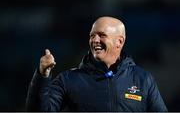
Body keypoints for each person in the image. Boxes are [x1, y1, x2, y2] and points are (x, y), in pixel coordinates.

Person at [26, 16, 167, 111]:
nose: (95, 40)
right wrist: (42, 75)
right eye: (92, 35)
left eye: (101, 35)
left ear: (120, 41)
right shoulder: (68, 79)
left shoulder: (142, 79)